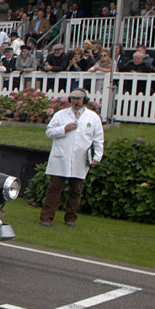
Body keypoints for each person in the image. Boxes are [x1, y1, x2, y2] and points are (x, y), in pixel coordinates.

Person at [39, 89, 104, 227]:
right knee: (54, 189)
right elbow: (49, 132)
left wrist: (97, 156)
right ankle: (46, 217)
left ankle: (71, 218)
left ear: (84, 100)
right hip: (61, 157)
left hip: (81, 159)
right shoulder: (60, 115)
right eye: (73, 98)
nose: (75, 101)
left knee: (76, 190)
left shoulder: (93, 117)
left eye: (79, 99)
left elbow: (98, 138)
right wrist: (64, 129)